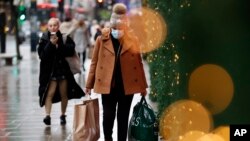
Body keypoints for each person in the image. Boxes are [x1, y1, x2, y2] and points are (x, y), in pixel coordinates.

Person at [85, 3, 148, 141]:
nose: (117, 30)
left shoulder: (133, 40)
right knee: (108, 115)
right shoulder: (101, 40)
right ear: (111, 24)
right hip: (108, 84)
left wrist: (143, 86)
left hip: (127, 86)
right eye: (115, 27)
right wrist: (88, 84)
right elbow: (94, 62)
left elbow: (139, 64)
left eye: (120, 27)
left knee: (123, 116)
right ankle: (108, 138)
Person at [37, 18, 85, 126]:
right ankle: (47, 116)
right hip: (50, 73)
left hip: (63, 71)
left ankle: (63, 115)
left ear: (58, 26)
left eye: (55, 25)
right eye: (50, 25)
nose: (53, 27)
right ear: (48, 27)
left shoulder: (64, 38)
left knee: (64, 94)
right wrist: (51, 44)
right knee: (49, 93)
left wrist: (59, 44)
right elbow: (42, 55)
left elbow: (70, 50)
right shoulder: (44, 39)